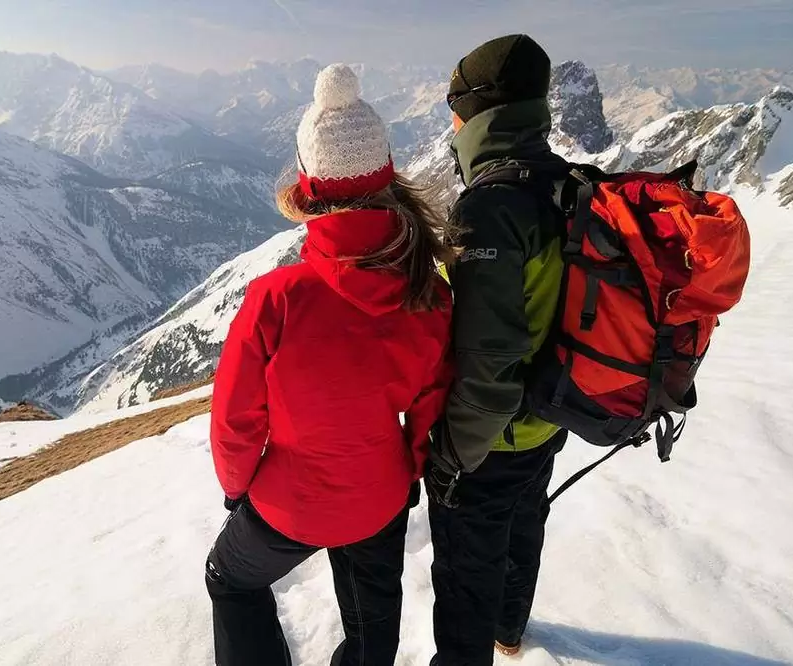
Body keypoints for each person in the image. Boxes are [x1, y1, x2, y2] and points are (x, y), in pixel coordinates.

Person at [205, 63, 456, 666]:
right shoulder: (429, 293)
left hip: (290, 501)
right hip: (380, 494)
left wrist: (237, 490)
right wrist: (408, 471)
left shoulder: (277, 298)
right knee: (372, 623)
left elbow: (237, 420)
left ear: (309, 185)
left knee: (230, 579)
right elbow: (429, 406)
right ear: (388, 175)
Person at [424, 35, 571, 665]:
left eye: (454, 110)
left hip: (491, 438)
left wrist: (452, 456)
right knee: (522, 531)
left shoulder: (490, 209)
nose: (451, 125)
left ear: (477, 112)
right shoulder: (566, 182)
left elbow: (489, 354)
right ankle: (510, 632)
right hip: (548, 415)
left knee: (466, 578)